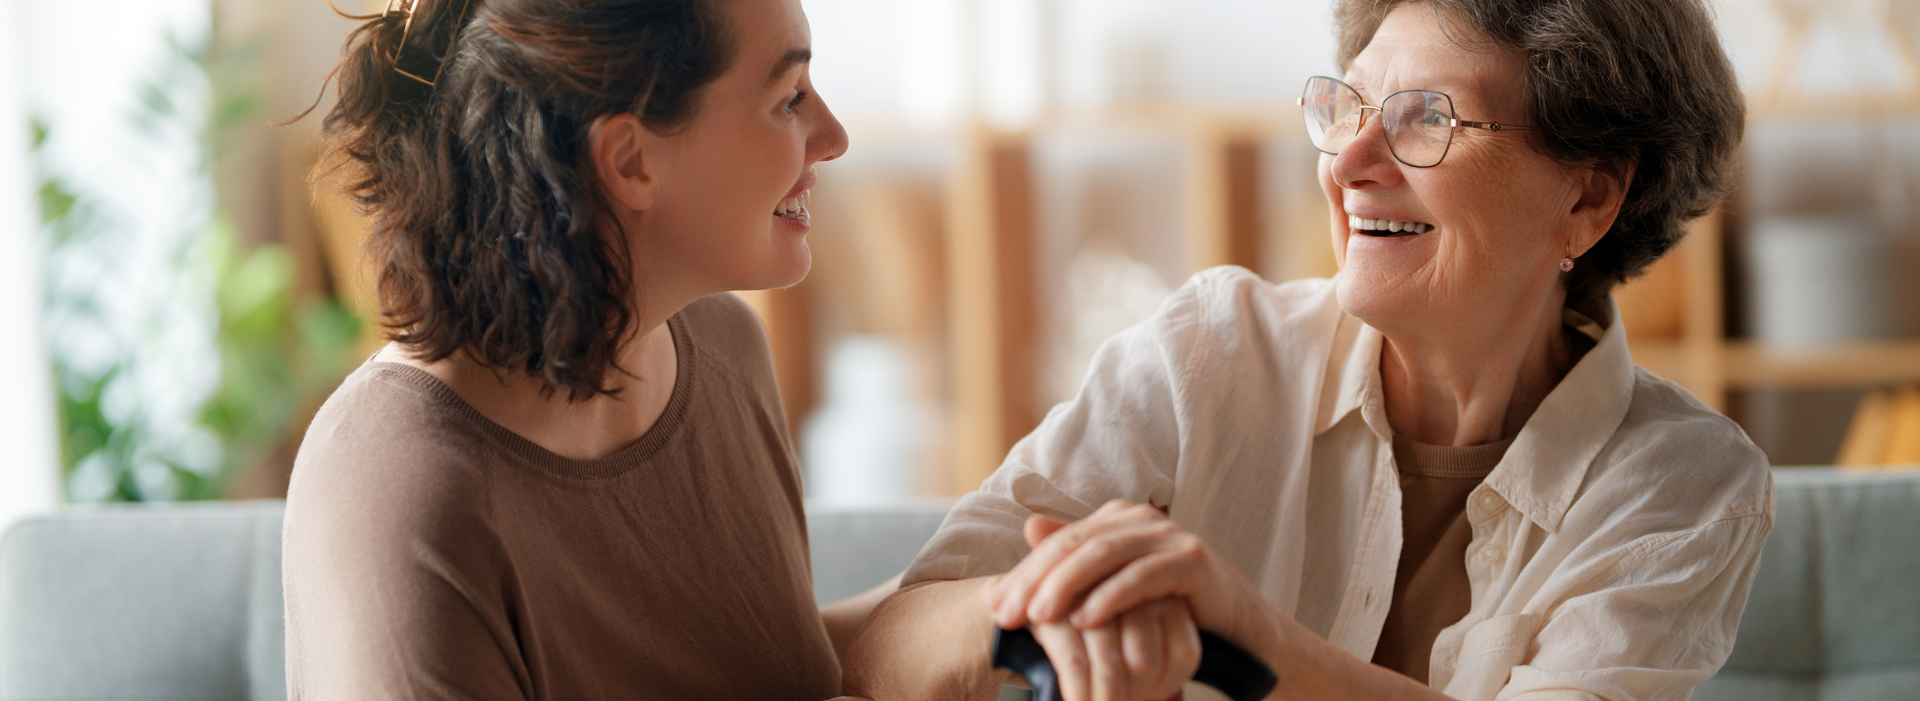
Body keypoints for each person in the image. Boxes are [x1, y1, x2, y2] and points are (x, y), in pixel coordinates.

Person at [844, 0, 1764, 699]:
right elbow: (890, 642)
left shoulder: (1686, 487)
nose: (1349, 159)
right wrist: (1037, 608)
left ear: (1587, 201)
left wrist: (1250, 637)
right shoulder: (1210, 351)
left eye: (1425, 117)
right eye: (1350, 103)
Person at [279, 0, 879, 698]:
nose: (832, 137)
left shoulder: (724, 347)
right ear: (630, 160)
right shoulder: (398, 484)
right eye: (790, 99)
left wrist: (989, 608)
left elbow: (777, 671)